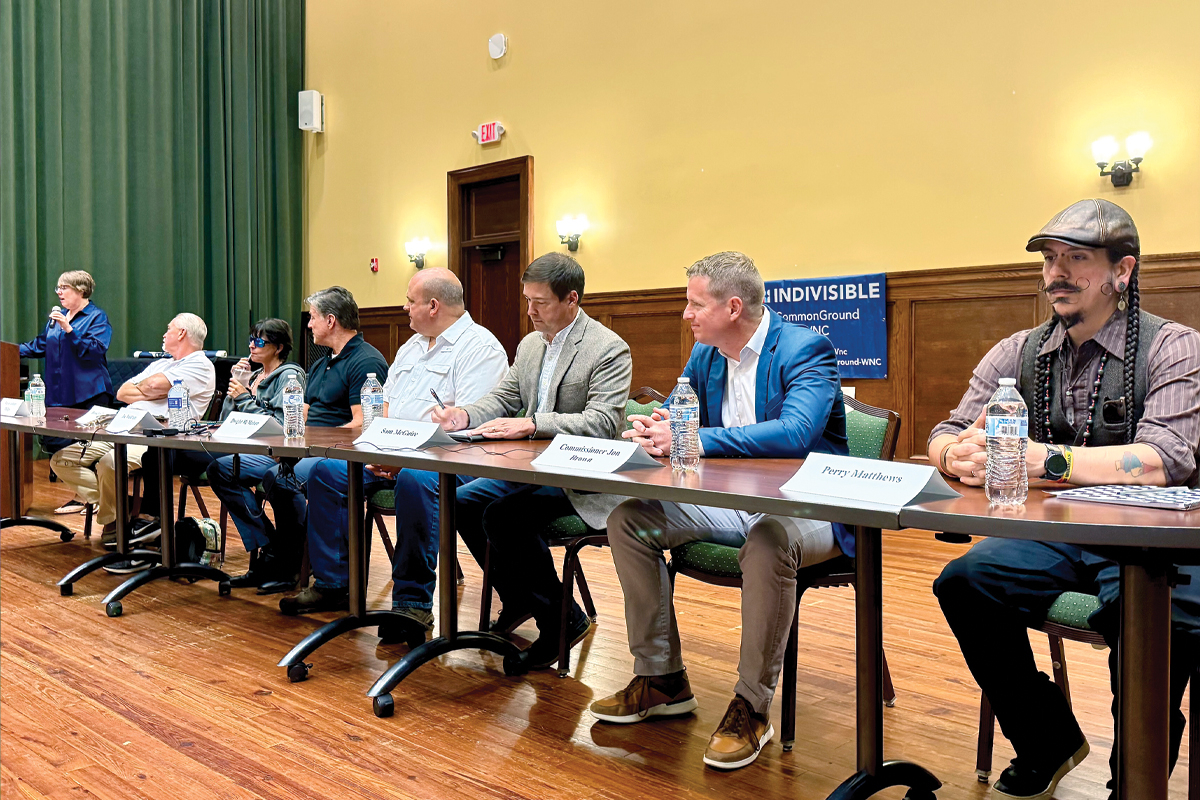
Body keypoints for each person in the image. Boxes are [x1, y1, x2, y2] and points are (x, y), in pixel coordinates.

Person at [930, 199, 1200, 800]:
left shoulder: (1174, 347)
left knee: (1150, 613)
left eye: (1076, 258)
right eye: (1051, 258)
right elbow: (946, 430)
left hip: (1154, 540)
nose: (1057, 272)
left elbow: (1164, 460)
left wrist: (1047, 460)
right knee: (965, 582)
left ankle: (1136, 781)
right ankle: (1046, 740)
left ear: (1122, 271)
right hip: (1059, 531)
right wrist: (953, 456)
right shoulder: (1019, 351)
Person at [589, 251, 850, 772]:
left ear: (733, 308)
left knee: (771, 540)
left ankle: (751, 707)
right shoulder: (705, 352)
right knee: (629, 519)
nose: (685, 314)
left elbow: (796, 433)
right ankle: (661, 678)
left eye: (695, 304)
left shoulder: (805, 348)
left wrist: (697, 438)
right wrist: (655, 428)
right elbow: (677, 412)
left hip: (812, 507)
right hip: (732, 504)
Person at [430, 252, 632, 666]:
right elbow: (505, 397)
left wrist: (534, 423)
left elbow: (603, 422)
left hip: (583, 476)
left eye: (540, 302)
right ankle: (522, 599)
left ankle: (560, 620)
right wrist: (463, 415)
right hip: (531, 468)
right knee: (461, 501)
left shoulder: (609, 348)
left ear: (571, 299)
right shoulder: (530, 345)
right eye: (527, 300)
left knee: (504, 516)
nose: (530, 311)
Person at [283, 269, 508, 623]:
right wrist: (379, 449)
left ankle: (412, 603)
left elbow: (467, 430)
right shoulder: (411, 347)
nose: (404, 307)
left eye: (409, 301)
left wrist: (404, 459)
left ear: (433, 306)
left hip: (448, 461)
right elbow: (382, 406)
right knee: (326, 472)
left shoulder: (480, 348)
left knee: (416, 479)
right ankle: (333, 584)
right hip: (392, 453)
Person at [209, 287, 387, 594]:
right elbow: (299, 416)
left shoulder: (366, 361)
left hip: (334, 454)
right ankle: (272, 550)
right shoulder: (320, 363)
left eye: (313, 317)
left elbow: (362, 424)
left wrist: (307, 448)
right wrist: (287, 445)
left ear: (331, 321)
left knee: (279, 480)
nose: (309, 324)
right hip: (302, 448)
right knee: (223, 469)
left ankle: (289, 563)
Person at [135, 319, 305, 578]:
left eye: (259, 341)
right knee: (157, 453)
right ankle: (154, 525)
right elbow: (226, 421)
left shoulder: (289, 377)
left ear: (279, 347)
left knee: (217, 469)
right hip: (235, 443)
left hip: (266, 452)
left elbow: (280, 426)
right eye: (251, 340)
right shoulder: (254, 376)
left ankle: (269, 544)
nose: (252, 345)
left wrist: (244, 398)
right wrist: (234, 391)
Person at [49, 313, 216, 556]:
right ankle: (125, 507)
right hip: (122, 428)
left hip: (156, 438)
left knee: (110, 464)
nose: (164, 334)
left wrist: (149, 389)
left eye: (169, 329)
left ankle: (114, 522)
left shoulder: (200, 364)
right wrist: (154, 390)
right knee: (62, 460)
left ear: (181, 333)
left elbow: (152, 385)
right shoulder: (162, 364)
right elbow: (123, 393)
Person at [19, 270, 114, 512]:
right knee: (61, 448)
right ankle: (87, 497)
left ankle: (94, 500)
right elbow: (40, 345)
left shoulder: (96, 317)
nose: (59, 292)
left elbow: (95, 350)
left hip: (89, 393)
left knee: (87, 448)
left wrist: (70, 330)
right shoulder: (57, 318)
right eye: (58, 288)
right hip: (60, 393)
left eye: (64, 287)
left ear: (81, 290)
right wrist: (11, 350)